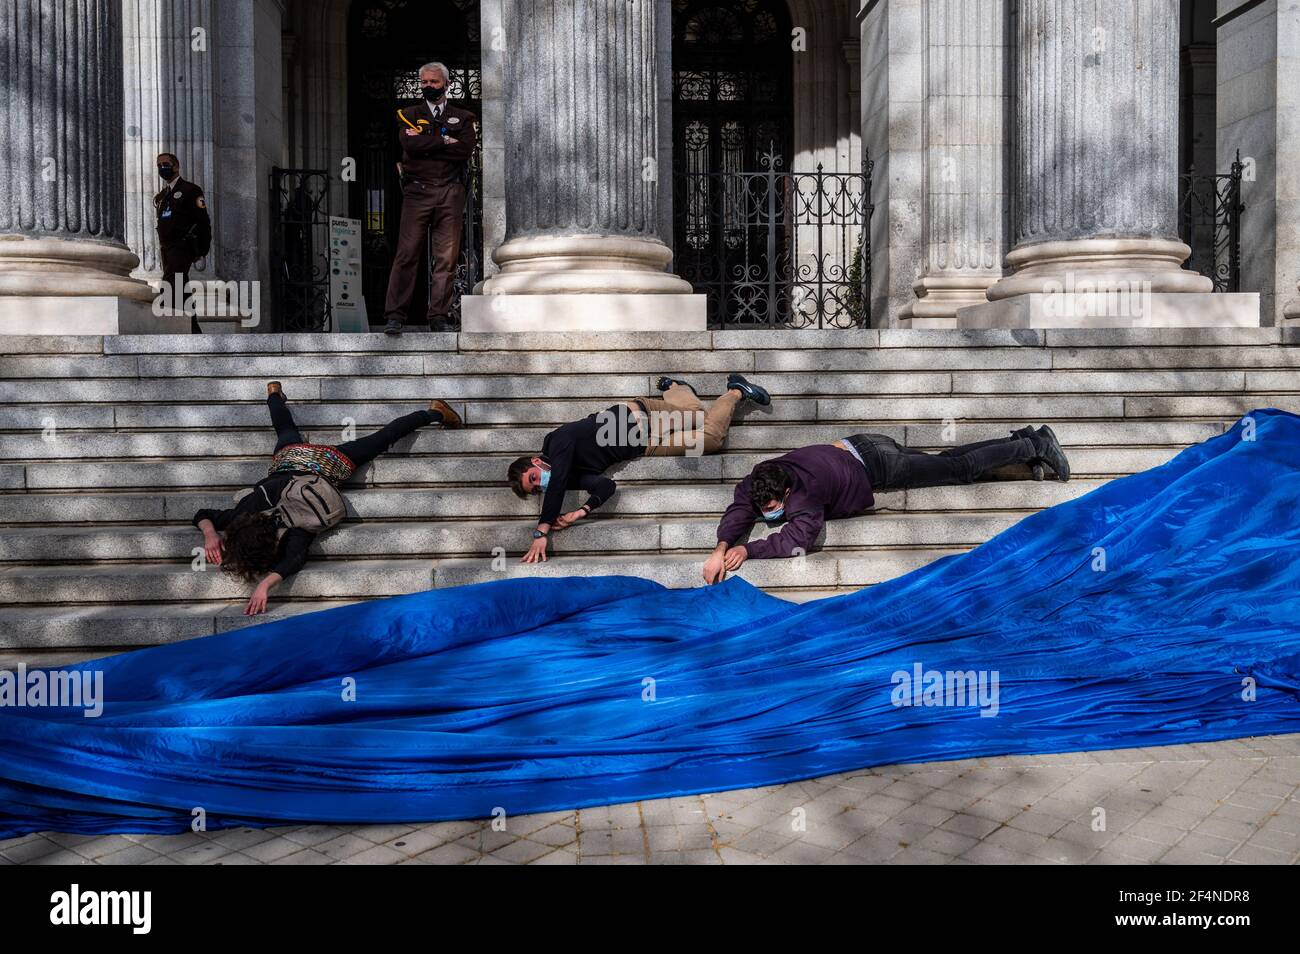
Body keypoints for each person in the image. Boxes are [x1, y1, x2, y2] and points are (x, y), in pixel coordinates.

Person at [193, 382, 462, 615]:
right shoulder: (244, 510)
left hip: (331, 465)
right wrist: (211, 532)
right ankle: (274, 394)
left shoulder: (294, 531)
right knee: (287, 430)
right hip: (291, 456)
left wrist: (265, 584)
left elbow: (294, 560)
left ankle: (436, 412)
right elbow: (204, 514)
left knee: (381, 439)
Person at [703, 425, 1071, 583]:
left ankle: (1036, 445)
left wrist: (749, 550)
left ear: (786, 493)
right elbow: (740, 507)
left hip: (880, 465)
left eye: (773, 506)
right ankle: (1021, 443)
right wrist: (721, 548)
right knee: (948, 459)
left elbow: (799, 537)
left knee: (960, 469)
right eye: (762, 506)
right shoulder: (763, 477)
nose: (768, 513)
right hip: (861, 443)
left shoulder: (805, 492)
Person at [507, 375, 772, 564]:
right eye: (536, 486)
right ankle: (676, 387)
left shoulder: (557, 442)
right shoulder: (566, 477)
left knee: (702, 418)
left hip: (645, 415)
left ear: (535, 460)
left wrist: (541, 531)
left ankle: (735, 390)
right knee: (710, 439)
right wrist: (579, 512)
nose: (542, 482)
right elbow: (605, 486)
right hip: (646, 445)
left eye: (534, 476)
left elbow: (558, 479)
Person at [383, 62, 478, 335]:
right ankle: (395, 316)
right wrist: (446, 141)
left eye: (433, 83)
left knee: (445, 259)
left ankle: (439, 317)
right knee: (407, 254)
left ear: (447, 84)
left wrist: (428, 141)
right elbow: (409, 145)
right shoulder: (409, 114)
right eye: (424, 82)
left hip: (450, 192)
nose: (428, 87)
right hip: (417, 193)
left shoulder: (463, 117)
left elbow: (466, 150)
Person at [153, 153, 212, 334]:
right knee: (180, 284)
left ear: (176, 167)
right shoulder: (162, 196)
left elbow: (203, 221)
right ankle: (193, 329)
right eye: (159, 165)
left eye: (166, 164)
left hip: (183, 245)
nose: (163, 167)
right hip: (167, 249)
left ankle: (166, 322)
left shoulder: (191, 190)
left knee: (171, 282)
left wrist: (202, 248)